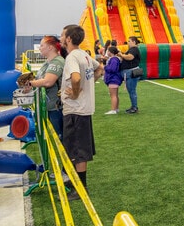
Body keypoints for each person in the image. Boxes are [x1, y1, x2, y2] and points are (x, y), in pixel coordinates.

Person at [60, 24, 104, 201]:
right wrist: (89, 84)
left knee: (78, 150)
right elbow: (99, 68)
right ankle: (76, 182)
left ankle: (81, 188)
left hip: (76, 110)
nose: (61, 38)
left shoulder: (72, 57)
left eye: (63, 35)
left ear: (69, 39)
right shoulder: (85, 55)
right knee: (78, 148)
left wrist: (77, 92)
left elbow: (76, 78)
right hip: (83, 110)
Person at [27, 35, 66, 139]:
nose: (40, 48)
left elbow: (48, 82)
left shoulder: (57, 61)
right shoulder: (48, 62)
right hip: (48, 106)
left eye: (42, 45)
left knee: (57, 139)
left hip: (56, 108)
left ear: (50, 47)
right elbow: (40, 79)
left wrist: (30, 84)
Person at [119, 36, 141, 114]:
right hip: (129, 73)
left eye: (129, 41)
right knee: (131, 90)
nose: (127, 42)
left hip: (131, 73)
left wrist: (121, 55)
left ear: (134, 42)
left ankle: (134, 107)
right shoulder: (132, 49)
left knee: (132, 90)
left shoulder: (134, 49)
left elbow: (130, 57)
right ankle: (133, 106)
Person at [103, 46, 123, 114]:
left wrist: (105, 67)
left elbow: (113, 69)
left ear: (111, 52)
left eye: (108, 51)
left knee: (113, 95)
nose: (107, 52)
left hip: (113, 78)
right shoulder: (115, 59)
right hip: (114, 78)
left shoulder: (114, 59)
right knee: (115, 95)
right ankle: (116, 108)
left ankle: (113, 109)